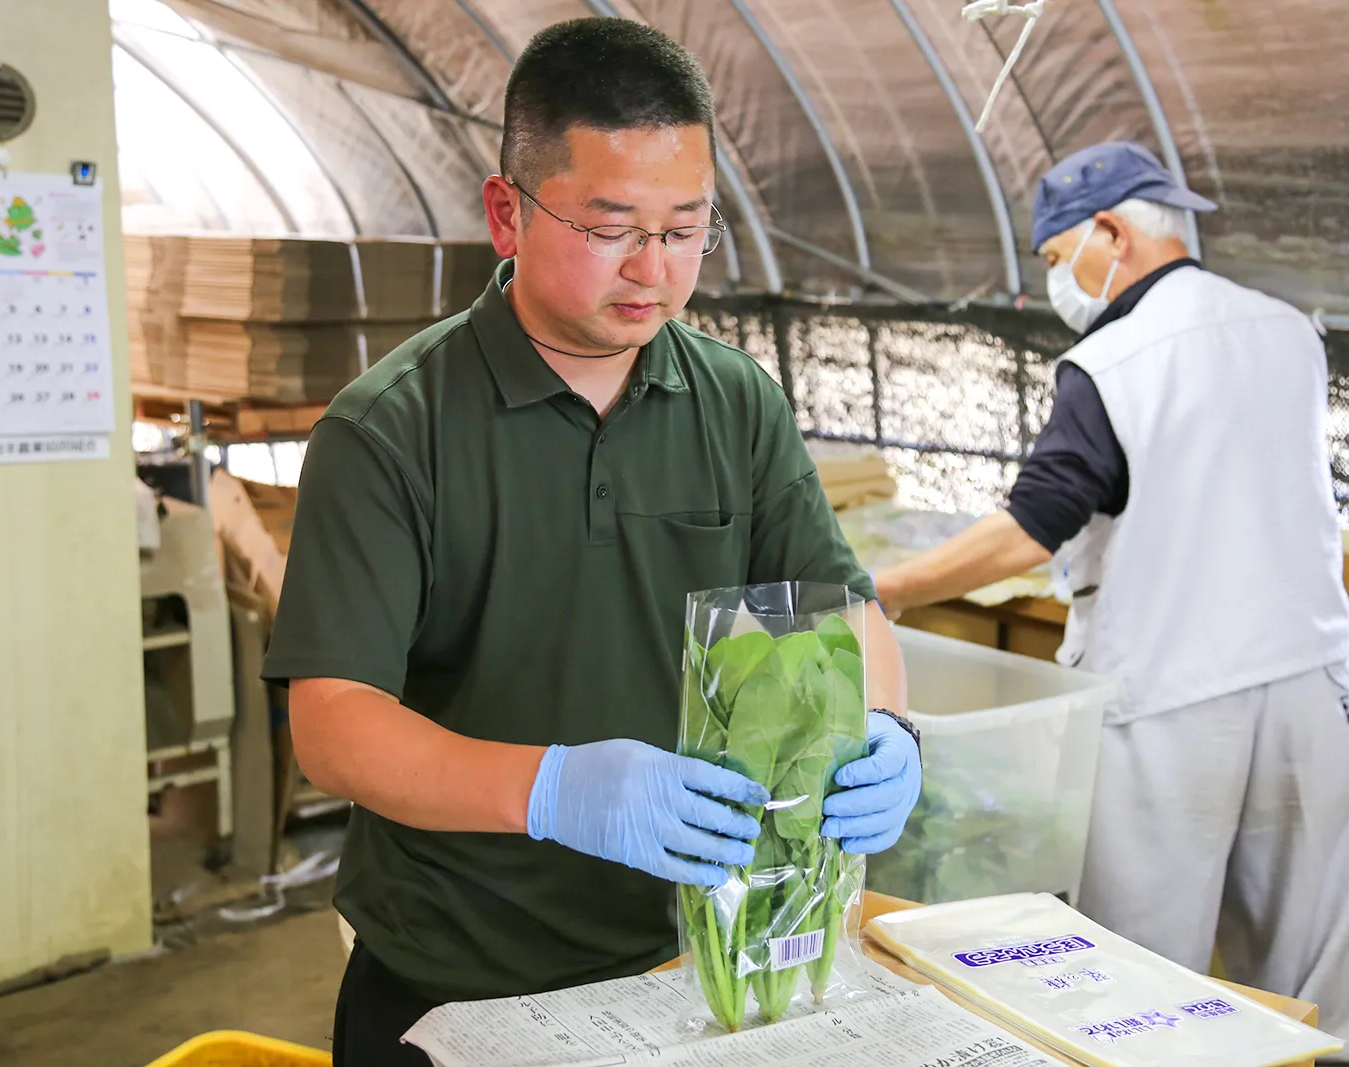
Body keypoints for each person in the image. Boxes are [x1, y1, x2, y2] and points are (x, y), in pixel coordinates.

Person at [262, 19, 917, 1067]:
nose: (651, 269)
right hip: (456, 976)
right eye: (609, 225)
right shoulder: (389, 429)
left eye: (684, 228)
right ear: (506, 213)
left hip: (687, 967)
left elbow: (844, 609)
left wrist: (886, 723)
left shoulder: (736, 403)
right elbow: (336, 725)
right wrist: (553, 788)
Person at [874, 141, 1349, 1067]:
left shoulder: (1114, 359)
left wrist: (882, 587)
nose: (1054, 285)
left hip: (1174, 706)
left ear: (1111, 232)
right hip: (1320, 697)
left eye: (1053, 257)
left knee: (1138, 988)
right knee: (1328, 984)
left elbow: (1031, 525)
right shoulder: (1289, 329)